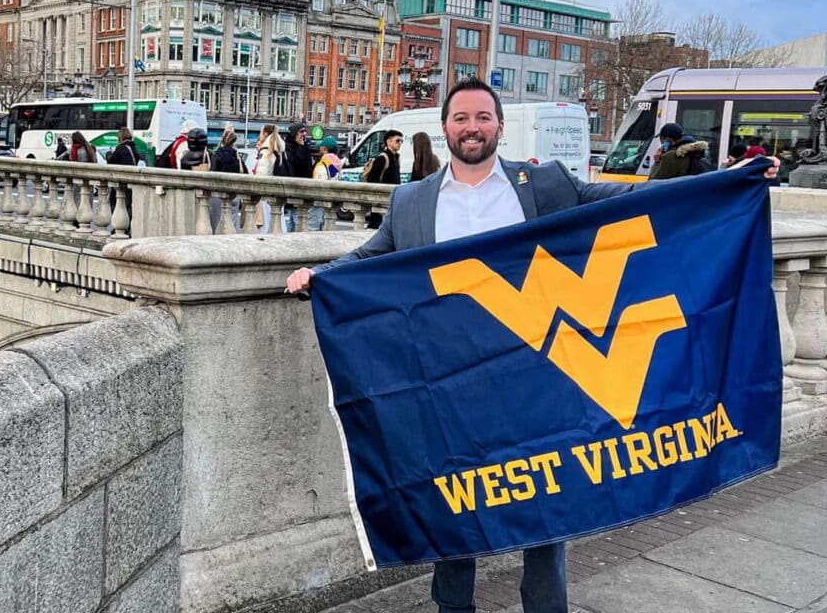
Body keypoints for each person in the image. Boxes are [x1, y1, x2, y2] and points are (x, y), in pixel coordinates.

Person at [287, 75, 780, 613]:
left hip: (537, 378)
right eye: (461, 118)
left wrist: (724, 183)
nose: (471, 128)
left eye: (482, 117)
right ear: (445, 128)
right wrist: (320, 274)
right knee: (452, 507)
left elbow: (627, 202)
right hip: (452, 385)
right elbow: (371, 256)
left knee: (551, 506)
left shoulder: (544, 185)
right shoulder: (411, 202)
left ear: (498, 126)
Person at [362, 129, 403, 229]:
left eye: (401, 141)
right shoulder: (382, 158)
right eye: (397, 141)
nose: (400, 143)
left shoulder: (396, 157)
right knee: (377, 225)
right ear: (389, 142)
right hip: (381, 199)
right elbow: (372, 178)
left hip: (391, 198)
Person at [211, 129, 246, 231]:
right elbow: (245, 172)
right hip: (234, 193)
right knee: (234, 219)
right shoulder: (237, 156)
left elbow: (212, 172)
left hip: (218, 193)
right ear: (234, 142)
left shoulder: (216, 154)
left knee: (217, 221)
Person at [283, 122, 314, 232]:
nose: (304, 134)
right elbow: (297, 162)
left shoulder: (304, 146)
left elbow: (307, 166)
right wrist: (300, 145)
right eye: (301, 132)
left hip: (303, 185)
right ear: (294, 134)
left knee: (296, 218)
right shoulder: (288, 147)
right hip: (293, 186)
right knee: (294, 219)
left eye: (305, 131)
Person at [254, 124, 285, 233]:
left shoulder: (266, 151)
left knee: (265, 226)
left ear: (265, 134)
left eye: (260, 133)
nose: (259, 135)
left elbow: (261, 176)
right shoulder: (279, 149)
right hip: (278, 192)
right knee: (278, 223)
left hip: (266, 195)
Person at [309, 137, 343, 231]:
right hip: (330, 204)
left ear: (324, 148)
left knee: (312, 230)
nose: (318, 149)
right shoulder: (337, 165)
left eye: (320, 147)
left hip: (318, 204)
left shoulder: (322, 164)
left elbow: (317, 185)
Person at [106, 127, 139, 222]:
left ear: (120, 137)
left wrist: (109, 155)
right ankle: (127, 226)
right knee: (128, 204)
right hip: (131, 180)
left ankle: (119, 224)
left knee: (115, 202)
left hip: (121, 180)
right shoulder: (133, 147)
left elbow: (111, 161)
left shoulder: (121, 148)